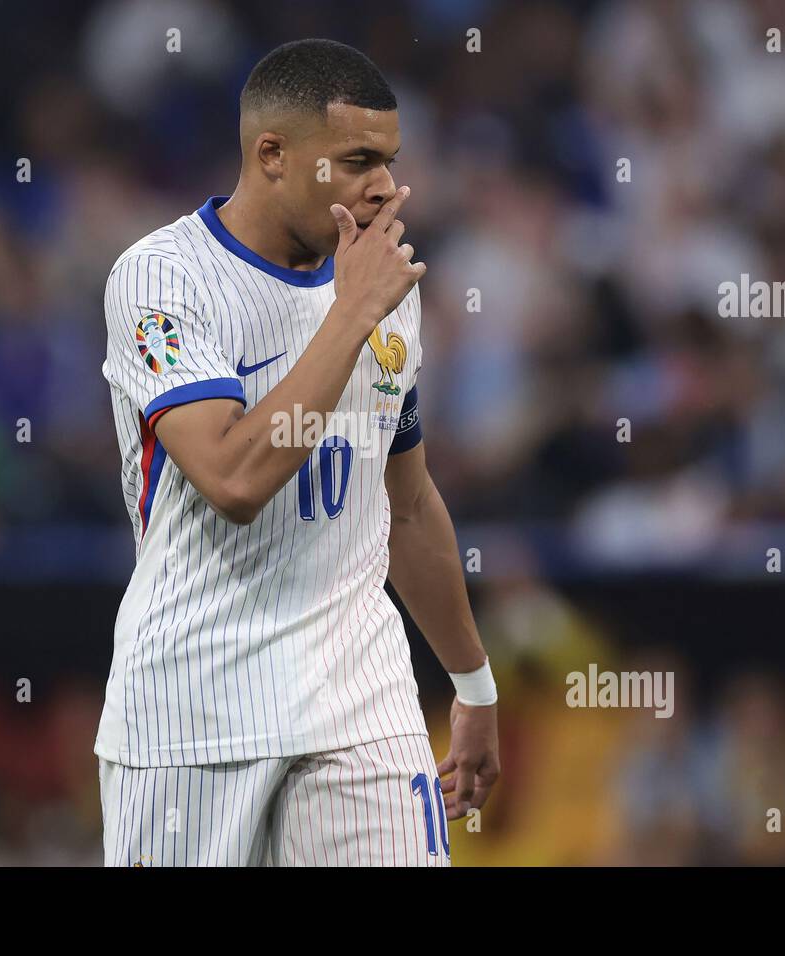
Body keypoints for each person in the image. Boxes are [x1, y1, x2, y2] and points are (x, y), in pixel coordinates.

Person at [96, 38, 499, 866]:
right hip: (191, 715)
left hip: (362, 706)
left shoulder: (382, 290)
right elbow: (234, 477)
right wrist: (350, 316)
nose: (384, 185)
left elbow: (409, 504)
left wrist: (473, 686)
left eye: (389, 160)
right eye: (357, 161)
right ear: (271, 154)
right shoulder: (161, 280)